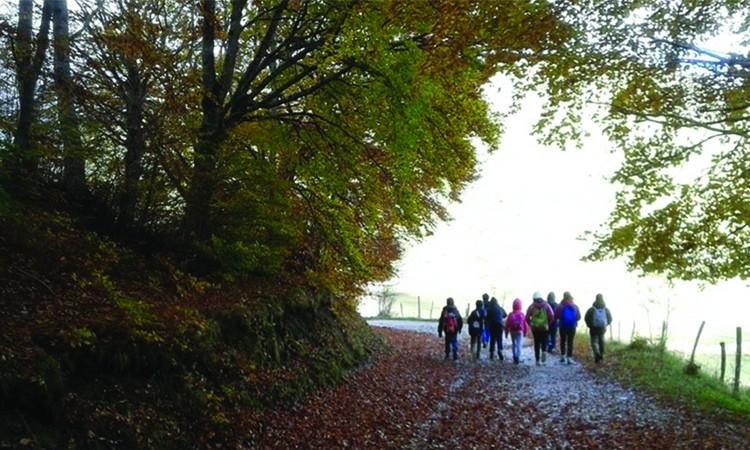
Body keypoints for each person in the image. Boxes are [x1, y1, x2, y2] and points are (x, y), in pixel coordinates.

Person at [526, 291, 555, 366]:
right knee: (544, 341)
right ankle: (544, 358)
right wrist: (548, 324)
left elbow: (527, 317)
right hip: (544, 328)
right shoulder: (546, 305)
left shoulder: (531, 306)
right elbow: (552, 316)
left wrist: (530, 324)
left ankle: (537, 360)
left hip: (535, 328)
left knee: (537, 343)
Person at [584, 293, 612, 363]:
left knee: (594, 342)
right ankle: (601, 355)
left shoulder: (592, 309)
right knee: (601, 341)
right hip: (602, 328)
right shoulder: (606, 309)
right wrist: (606, 324)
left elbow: (586, 318)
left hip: (593, 328)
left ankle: (597, 353)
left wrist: (589, 325)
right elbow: (610, 318)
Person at [555, 291, 581, 364]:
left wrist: (561, 319)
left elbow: (555, 316)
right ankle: (569, 358)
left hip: (562, 326)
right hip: (572, 326)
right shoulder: (575, 306)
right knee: (570, 342)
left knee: (562, 341)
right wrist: (573, 319)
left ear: (563, 297)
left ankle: (563, 357)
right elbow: (579, 317)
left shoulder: (560, 306)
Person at [505, 298, 529, 364]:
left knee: (514, 344)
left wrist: (506, 333)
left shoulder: (510, 314)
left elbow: (507, 324)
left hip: (512, 331)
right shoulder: (522, 314)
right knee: (519, 344)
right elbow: (525, 325)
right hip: (519, 331)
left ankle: (514, 356)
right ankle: (518, 357)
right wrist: (525, 332)